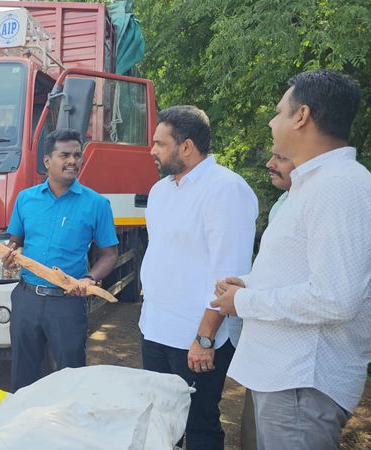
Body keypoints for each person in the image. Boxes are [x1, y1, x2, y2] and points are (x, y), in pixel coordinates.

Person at [212, 69, 370, 450]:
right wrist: (250, 286)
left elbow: (335, 297)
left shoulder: (339, 186)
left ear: (302, 116)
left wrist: (244, 301)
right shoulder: (316, 185)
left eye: (280, 111)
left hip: (301, 383)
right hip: (288, 379)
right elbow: (311, 273)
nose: (271, 120)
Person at [139, 105, 258, 450]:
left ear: (186, 146)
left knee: (199, 422)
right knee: (160, 420)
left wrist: (204, 338)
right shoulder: (161, 191)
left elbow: (229, 273)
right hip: (156, 328)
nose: (152, 151)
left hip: (196, 337)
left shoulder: (225, 189)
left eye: (160, 144)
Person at [2, 128, 119, 391]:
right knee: (23, 377)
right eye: (64, 155)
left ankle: (68, 429)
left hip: (67, 303)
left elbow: (109, 254)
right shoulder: (26, 199)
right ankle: (26, 429)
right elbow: (15, 244)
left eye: (77, 155)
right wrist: (10, 257)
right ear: (47, 161)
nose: (73, 161)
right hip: (27, 299)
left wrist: (88, 279)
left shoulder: (96, 204)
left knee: (70, 376)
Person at [239, 146, 295, 450]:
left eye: (281, 158)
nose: (269, 164)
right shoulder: (282, 204)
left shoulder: (328, 200)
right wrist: (247, 283)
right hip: (267, 344)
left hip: (291, 360)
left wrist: (244, 300)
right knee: (255, 430)